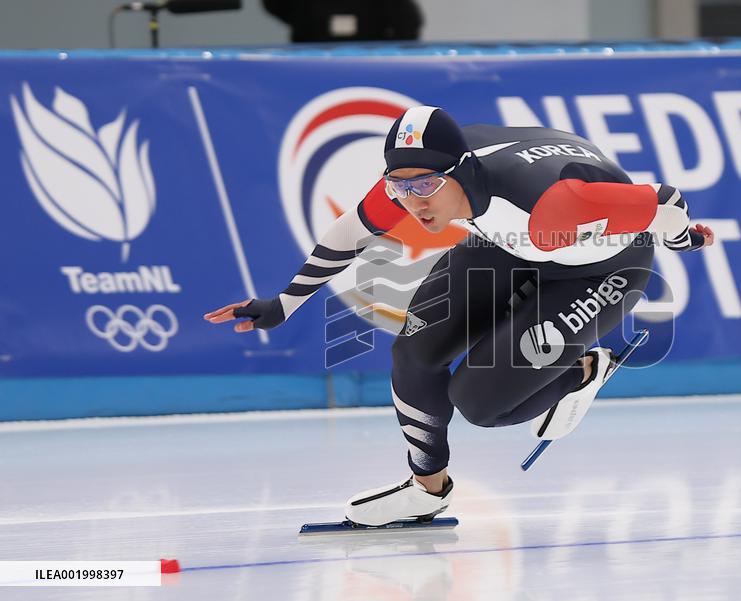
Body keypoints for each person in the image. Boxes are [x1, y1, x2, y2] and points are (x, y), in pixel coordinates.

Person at [204, 106, 714, 526]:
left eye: (423, 187)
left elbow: (665, 200)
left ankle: (582, 370)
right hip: (509, 242)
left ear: (460, 172)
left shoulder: (554, 205)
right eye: (399, 189)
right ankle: (427, 490)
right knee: (414, 350)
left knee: (480, 404)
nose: (413, 203)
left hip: (599, 267)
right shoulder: (419, 177)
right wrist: (282, 305)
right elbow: (349, 233)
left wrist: (680, 238)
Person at [262, 0, 423, 43]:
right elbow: (275, 5)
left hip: (371, 63)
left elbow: (409, 21)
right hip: (311, 61)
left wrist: (388, 52)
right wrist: (301, 23)